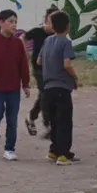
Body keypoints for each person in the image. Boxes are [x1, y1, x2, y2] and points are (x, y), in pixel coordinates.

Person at [0, 9, 31, 161]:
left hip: (14, 88)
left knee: (12, 119)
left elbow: (23, 65)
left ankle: (9, 149)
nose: (14, 25)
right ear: (1, 23)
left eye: (16, 22)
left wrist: (26, 84)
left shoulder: (18, 44)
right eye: (10, 21)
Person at [39, 11, 79, 165]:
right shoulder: (66, 42)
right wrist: (74, 77)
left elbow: (39, 61)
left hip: (47, 88)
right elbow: (67, 64)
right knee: (64, 122)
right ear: (68, 26)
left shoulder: (47, 40)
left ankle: (53, 151)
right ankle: (64, 155)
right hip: (62, 88)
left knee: (55, 122)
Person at [24, 7, 58, 137]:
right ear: (45, 20)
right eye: (51, 20)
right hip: (38, 70)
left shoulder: (57, 35)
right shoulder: (38, 32)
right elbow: (23, 37)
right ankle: (48, 125)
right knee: (45, 93)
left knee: (44, 96)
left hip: (52, 70)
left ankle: (31, 119)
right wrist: (24, 52)